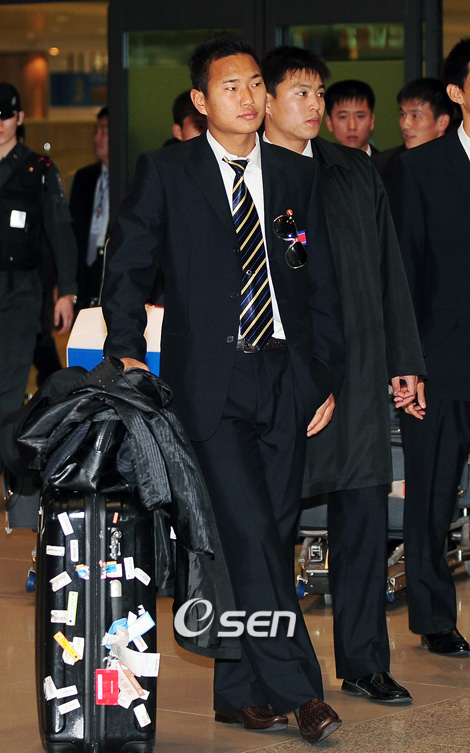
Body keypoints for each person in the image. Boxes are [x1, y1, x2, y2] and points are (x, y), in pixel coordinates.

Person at [102, 31, 345, 745]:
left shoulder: (294, 176)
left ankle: (239, 691)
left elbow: (315, 279)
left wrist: (322, 375)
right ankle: (300, 691)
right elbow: (129, 262)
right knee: (249, 529)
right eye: (231, 86)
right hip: (211, 382)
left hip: (286, 377)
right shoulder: (168, 171)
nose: (248, 96)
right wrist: (126, 349)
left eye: (256, 85)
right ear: (201, 101)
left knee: (267, 532)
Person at [261, 45, 425, 703]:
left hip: (357, 374)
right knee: (271, 526)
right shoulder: (250, 175)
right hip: (285, 380)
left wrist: (404, 361)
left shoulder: (354, 171)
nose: (314, 105)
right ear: (267, 100)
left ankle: (364, 661)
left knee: (362, 517)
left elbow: (389, 270)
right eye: (299, 93)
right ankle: (278, 668)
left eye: (318, 94)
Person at [390, 38, 470, 657]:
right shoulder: (419, 168)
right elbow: (404, 275)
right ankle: (434, 616)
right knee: (432, 496)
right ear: (458, 93)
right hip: (440, 362)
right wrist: (406, 363)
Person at [0, 82, 77, 442]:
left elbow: (61, 231)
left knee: (10, 384)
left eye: (5, 115)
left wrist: (67, 291)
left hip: (21, 291)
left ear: (19, 118)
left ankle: (7, 466)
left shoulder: (39, 169)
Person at [372, 77, 453, 194]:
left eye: (415, 116)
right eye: (403, 114)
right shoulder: (382, 165)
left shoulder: (459, 164)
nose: (405, 124)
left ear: (442, 122)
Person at [69, 106, 109, 309]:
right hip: (84, 273)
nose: (97, 138)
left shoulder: (131, 180)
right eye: (96, 131)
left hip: (110, 270)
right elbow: (72, 231)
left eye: (104, 131)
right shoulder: (84, 178)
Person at [324, 79, 377, 154]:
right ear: (329, 123)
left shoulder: (387, 161)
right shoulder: (317, 161)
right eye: (343, 117)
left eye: (360, 116)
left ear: (372, 121)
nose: (352, 126)